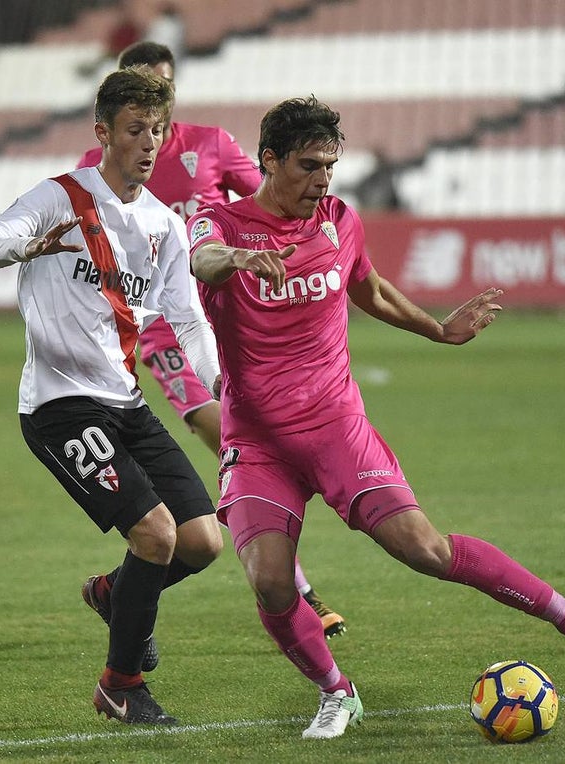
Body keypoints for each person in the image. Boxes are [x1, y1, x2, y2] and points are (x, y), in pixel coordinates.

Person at [188, 96, 565, 740]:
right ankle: (337, 692)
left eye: (330, 165)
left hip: (336, 427)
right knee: (270, 583)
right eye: (308, 165)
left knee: (425, 550)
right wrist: (237, 259)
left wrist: (437, 329)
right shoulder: (220, 222)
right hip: (258, 439)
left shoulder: (338, 220)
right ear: (269, 160)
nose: (323, 179)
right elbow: (202, 258)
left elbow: (370, 289)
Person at [0, 66, 225, 727]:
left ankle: (114, 592)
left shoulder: (162, 224)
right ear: (103, 132)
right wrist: (26, 245)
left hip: (124, 401)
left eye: (157, 130)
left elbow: (187, 318)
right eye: (135, 129)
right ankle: (121, 685)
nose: (149, 143)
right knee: (156, 534)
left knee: (202, 542)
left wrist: (220, 384)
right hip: (59, 405)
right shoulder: (61, 197)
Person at [76, 41, 347, 639]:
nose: (158, 96)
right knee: (222, 431)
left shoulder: (212, 144)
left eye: (165, 84)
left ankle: (118, 589)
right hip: (161, 327)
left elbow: (271, 201)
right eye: (142, 83)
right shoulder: (100, 165)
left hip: (227, 319)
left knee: (256, 444)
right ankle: (299, 589)